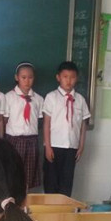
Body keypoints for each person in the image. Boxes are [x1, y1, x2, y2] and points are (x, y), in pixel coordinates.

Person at [42, 61, 90, 196]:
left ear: (77, 78)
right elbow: (46, 123)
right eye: (65, 77)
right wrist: (48, 147)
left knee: (66, 183)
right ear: (58, 77)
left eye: (72, 77)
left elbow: (83, 125)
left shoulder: (80, 100)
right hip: (54, 146)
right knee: (51, 182)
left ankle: (64, 208)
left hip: (71, 147)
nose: (69, 81)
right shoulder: (51, 97)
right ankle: (50, 209)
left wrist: (81, 146)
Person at [3, 62, 44, 190]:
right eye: (23, 77)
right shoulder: (8, 97)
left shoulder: (38, 99)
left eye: (30, 77)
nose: (27, 81)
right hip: (13, 140)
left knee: (28, 176)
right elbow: (4, 120)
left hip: (31, 141)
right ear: (17, 77)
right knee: (13, 174)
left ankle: (25, 199)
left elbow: (40, 121)